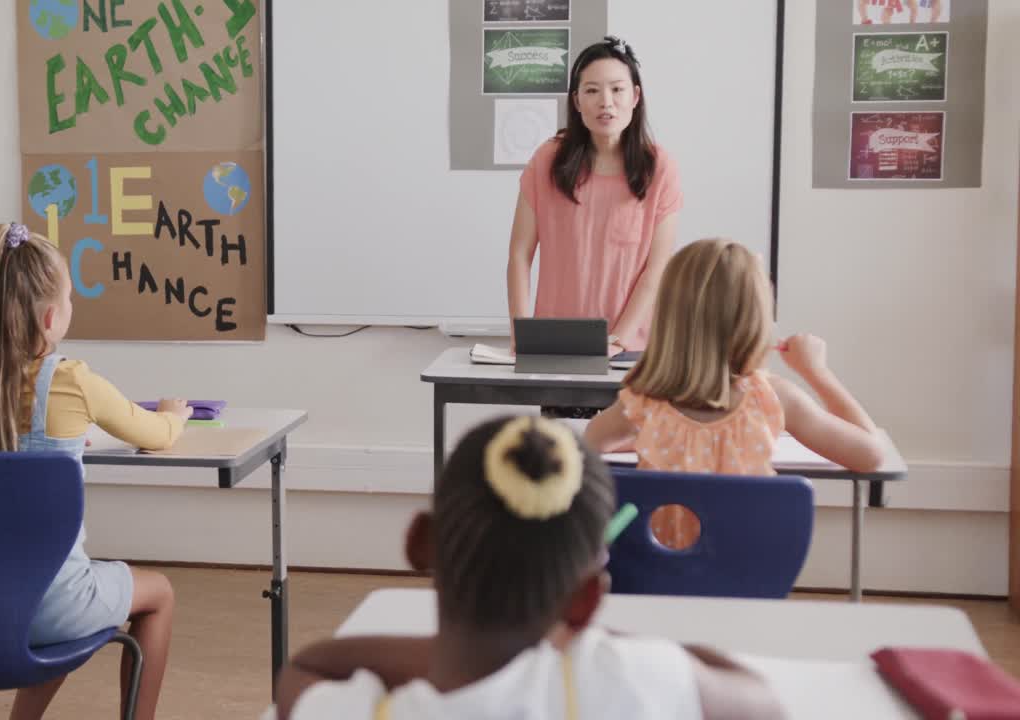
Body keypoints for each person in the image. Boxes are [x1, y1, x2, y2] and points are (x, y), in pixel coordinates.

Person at [274, 415, 785, 719]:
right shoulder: (634, 680)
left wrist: (456, 653)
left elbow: (304, 666)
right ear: (585, 600)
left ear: (421, 544)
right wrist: (583, 640)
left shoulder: (364, 713)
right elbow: (762, 702)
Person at [0, 222, 190, 720]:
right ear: (50, 317)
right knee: (157, 594)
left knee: (48, 594)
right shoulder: (73, 381)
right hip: (48, 606)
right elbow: (157, 436)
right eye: (69, 299)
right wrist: (175, 413)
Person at [583, 239, 885, 548]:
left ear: (669, 319)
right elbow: (873, 456)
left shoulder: (642, 403)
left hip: (659, 582)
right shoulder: (773, 399)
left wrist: (657, 438)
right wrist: (817, 372)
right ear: (755, 319)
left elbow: (589, 446)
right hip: (748, 583)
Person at [507, 36, 682, 362]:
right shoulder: (547, 160)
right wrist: (521, 332)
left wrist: (616, 341)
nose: (606, 102)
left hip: (632, 350)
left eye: (617, 89)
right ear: (576, 101)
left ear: (635, 96)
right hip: (556, 344)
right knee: (557, 418)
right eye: (591, 90)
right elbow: (519, 254)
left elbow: (656, 270)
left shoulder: (660, 169)